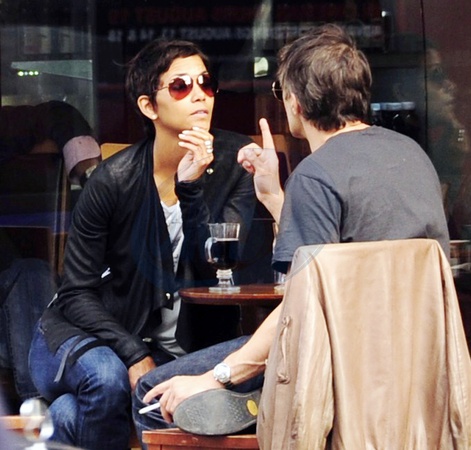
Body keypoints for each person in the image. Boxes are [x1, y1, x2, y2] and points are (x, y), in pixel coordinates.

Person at [132, 23, 449, 444]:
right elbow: (334, 265)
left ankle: (256, 406)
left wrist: (217, 376)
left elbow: (298, 312)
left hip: (334, 370)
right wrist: (275, 196)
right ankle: (256, 405)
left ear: (295, 103)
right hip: (414, 371)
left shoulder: (317, 175)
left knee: (154, 394)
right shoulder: (413, 156)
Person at [27, 38, 257, 450]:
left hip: (174, 347)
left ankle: (62, 422)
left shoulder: (235, 162)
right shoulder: (112, 181)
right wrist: (133, 354)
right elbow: (76, 292)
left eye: (206, 83)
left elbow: (221, 267)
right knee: (107, 380)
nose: (200, 95)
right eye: (181, 86)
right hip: (85, 335)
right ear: (149, 106)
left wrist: (191, 189)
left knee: (74, 413)